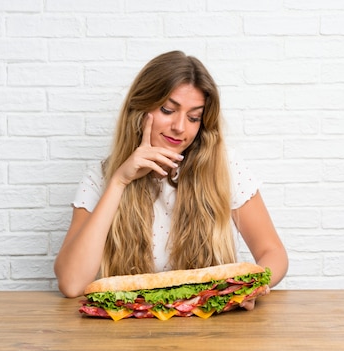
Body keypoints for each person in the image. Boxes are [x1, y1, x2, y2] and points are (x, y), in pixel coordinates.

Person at [54, 51, 289, 300]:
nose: (179, 127)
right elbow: (71, 283)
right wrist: (119, 181)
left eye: (193, 117)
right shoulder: (101, 178)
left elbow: (272, 252)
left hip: (210, 326)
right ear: (140, 108)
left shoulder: (225, 167)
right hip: (129, 330)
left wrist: (247, 289)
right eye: (167, 110)